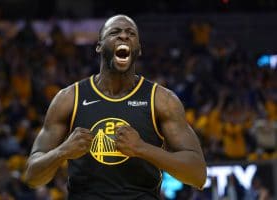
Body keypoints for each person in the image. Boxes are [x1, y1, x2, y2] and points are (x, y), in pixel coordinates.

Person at [24, 14, 207, 200]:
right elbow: (32, 176)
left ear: (139, 49)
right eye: (115, 32)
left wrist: (142, 148)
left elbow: (198, 175)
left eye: (131, 33)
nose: (124, 36)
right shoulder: (69, 98)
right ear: (99, 46)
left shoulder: (162, 100)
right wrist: (62, 151)